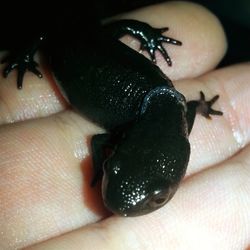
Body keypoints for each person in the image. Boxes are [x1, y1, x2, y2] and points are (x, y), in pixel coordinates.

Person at [0, 1, 249, 249]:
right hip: (67, 44)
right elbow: (98, 141)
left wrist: (202, 106)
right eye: (158, 197)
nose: (114, 202)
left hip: (92, 47)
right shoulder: (177, 125)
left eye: (158, 197)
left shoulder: (179, 123)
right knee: (56, 32)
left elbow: (189, 108)